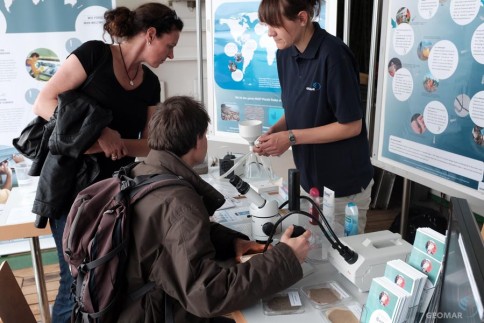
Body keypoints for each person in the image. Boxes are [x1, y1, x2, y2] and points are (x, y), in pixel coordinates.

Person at [32, 3, 184, 322]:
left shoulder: (151, 84)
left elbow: (149, 145)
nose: (170, 55)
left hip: (116, 196)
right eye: (170, 46)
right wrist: (100, 132)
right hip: (71, 191)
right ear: (151, 35)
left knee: (108, 280)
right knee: (73, 282)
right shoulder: (94, 56)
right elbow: (44, 103)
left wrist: (115, 144)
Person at [118, 96, 311, 322]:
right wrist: (285, 257)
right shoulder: (178, 202)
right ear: (198, 141)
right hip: (153, 313)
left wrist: (232, 242)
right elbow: (208, 294)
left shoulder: (140, 173)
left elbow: (167, 236)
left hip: (130, 305)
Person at [254, 0, 374, 234]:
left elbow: (351, 126)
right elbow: (297, 109)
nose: (269, 33)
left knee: (342, 258)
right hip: (309, 181)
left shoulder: (334, 55)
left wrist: (290, 138)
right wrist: (275, 132)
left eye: (275, 25)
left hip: (343, 186)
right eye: (266, 25)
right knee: (314, 252)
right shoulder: (285, 54)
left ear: (302, 18)